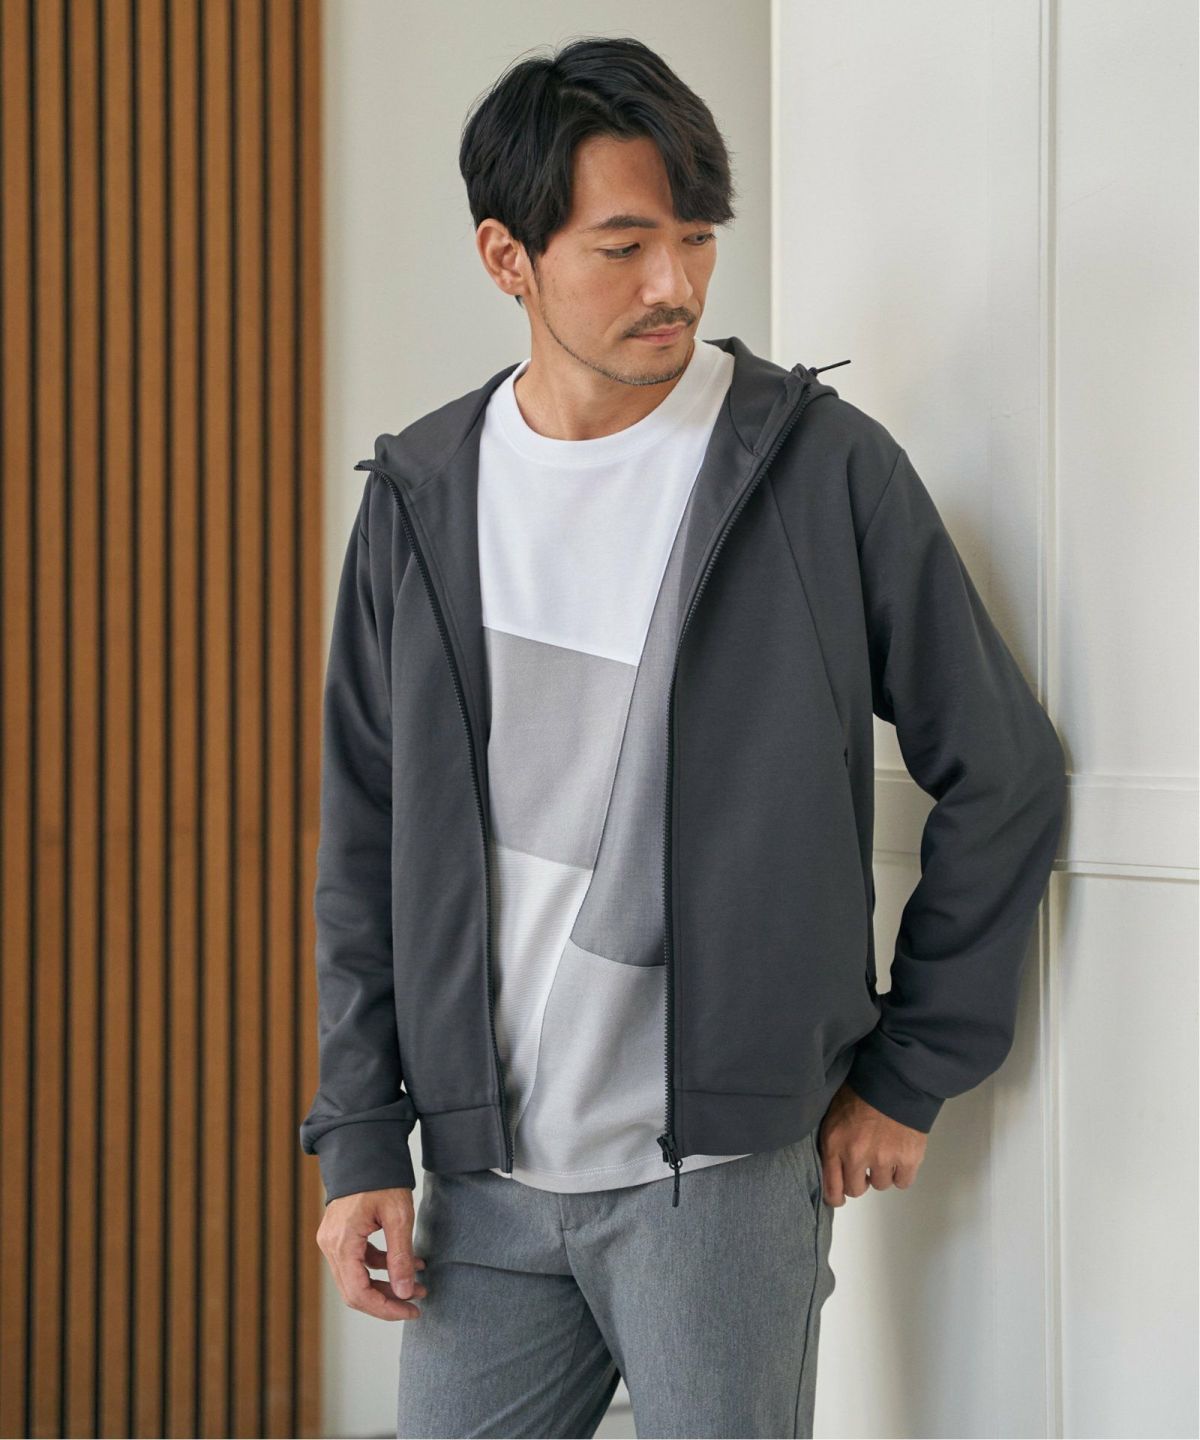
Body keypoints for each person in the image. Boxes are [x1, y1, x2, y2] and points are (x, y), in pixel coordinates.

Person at [299, 35, 1067, 1440]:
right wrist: (360, 1136)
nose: (677, 284)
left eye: (698, 238)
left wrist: (911, 1071)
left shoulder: (816, 468)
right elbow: (366, 836)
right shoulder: (423, 495)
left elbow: (1002, 771)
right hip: (481, 1180)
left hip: (716, 1180)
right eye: (625, 245)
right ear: (507, 256)